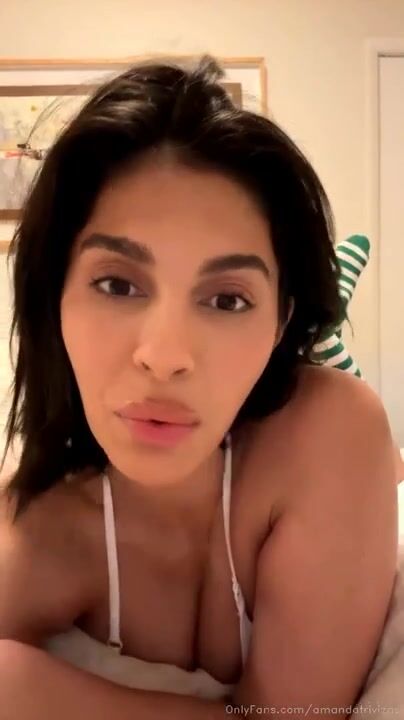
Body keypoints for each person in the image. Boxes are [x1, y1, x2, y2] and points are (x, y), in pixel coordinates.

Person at [0, 55, 398, 719]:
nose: (164, 357)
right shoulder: (35, 538)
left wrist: (26, 689)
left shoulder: (329, 428)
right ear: (55, 300)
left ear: (281, 324)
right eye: (117, 284)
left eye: (227, 300)